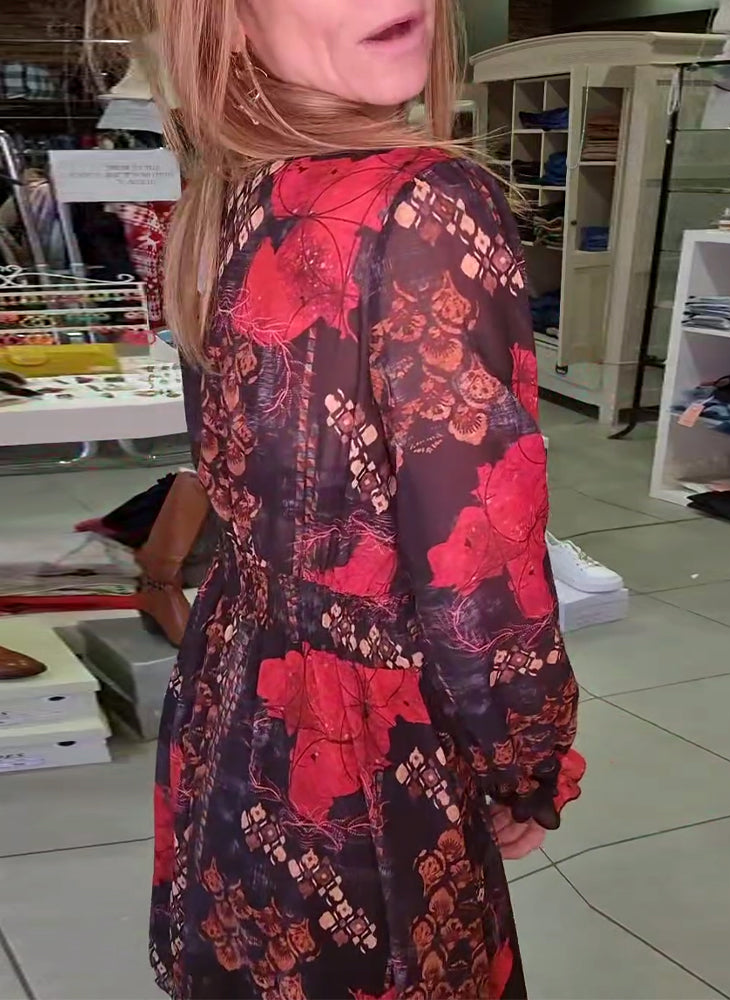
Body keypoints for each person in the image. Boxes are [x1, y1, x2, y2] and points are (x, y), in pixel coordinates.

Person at [92, 2, 585, 997]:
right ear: (227, 19)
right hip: (363, 736)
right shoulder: (420, 201)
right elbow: (478, 563)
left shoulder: (236, 191)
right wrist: (529, 762)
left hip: (241, 682)